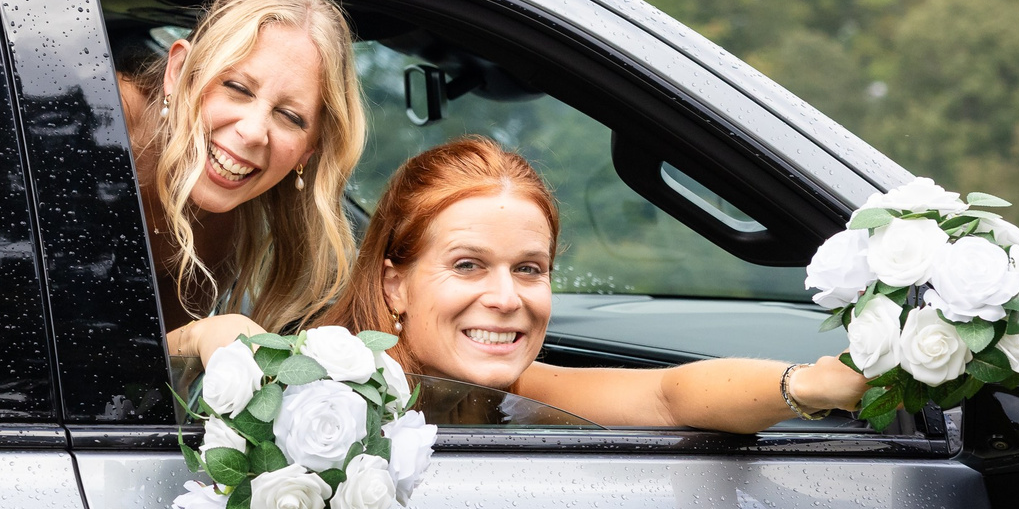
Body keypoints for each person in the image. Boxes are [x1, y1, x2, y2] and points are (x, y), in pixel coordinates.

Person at [331, 136, 867, 432]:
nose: (505, 297)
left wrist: (808, 386)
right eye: (468, 265)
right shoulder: (322, 394)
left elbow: (666, 398)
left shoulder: (513, 391)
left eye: (528, 269)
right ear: (395, 285)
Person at [115, 0, 368, 364]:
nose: (252, 132)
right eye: (237, 87)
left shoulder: (223, 225)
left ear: (310, 148)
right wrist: (194, 337)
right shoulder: (97, 128)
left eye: (289, 116)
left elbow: (125, 384)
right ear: (180, 71)